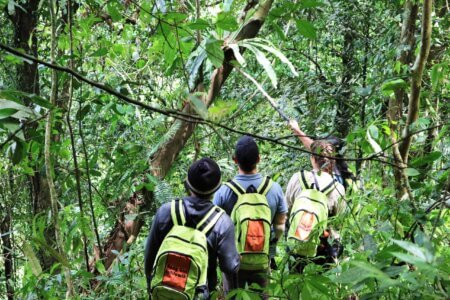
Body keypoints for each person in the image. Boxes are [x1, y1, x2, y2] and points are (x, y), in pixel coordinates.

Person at [144, 158, 240, 299]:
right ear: (217, 187)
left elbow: (149, 258)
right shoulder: (222, 222)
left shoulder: (166, 211)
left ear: (188, 183)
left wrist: (150, 288)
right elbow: (230, 266)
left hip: (162, 292)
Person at [213, 136, 287, 295]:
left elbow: (213, 227)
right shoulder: (274, 189)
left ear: (234, 160)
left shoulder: (224, 192)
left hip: (232, 260)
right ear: (259, 159)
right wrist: (271, 244)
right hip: (261, 257)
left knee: (232, 295)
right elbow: (280, 226)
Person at [285, 139, 346, 272]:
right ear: (332, 161)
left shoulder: (297, 178)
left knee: (295, 285)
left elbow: (287, 211)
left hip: (297, 241)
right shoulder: (338, 189)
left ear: (312, 158)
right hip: (322, 247)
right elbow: (337, 224)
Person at [289, 120, 359, 191]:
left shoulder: (336, 177)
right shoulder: (337, 166)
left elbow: (313, 146)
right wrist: (297, 130)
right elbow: (313, 146)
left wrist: (297, 130)